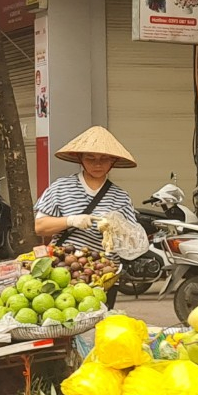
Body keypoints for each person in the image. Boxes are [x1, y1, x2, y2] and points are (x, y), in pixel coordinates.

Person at [33, 127, 138, 307]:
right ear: (80, 159)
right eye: (91, 158)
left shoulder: (120, 197)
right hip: (64, 270)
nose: (98, 164)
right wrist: (71, 220)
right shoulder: (61, 188)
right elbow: (40, 226)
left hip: (104, 274)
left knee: (101, 325)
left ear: (113, 161)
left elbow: (132, 241)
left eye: (104, 159)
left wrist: (116, 227)